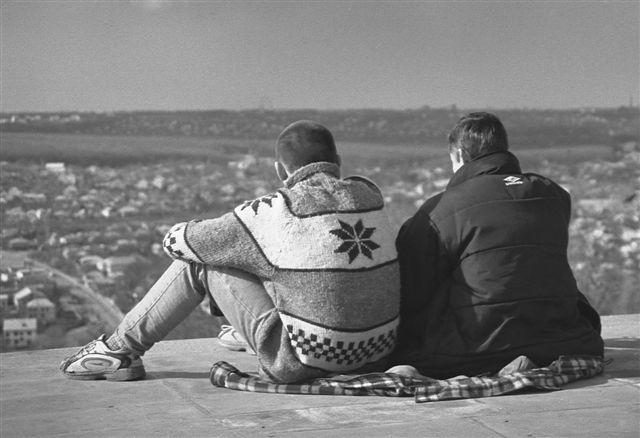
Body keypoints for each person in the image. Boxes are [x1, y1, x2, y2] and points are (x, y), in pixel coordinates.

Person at [60, 120, 400, 383]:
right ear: (337, 161)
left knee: (203, 262)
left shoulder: (275, 211)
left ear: (280, 170)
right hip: (376, 354)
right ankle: (245, 331)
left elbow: (177, 242)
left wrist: (222, 229)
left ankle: (119, 349)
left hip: (302, 362)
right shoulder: (369, 195)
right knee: (280, 259)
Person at [391, 112, 603, 378]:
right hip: (566, 338)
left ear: (459, 155)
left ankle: (505, 357)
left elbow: (412, 290)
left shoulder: (440, 209)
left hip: (476, 348)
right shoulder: (552, 194)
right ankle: (529, 355)